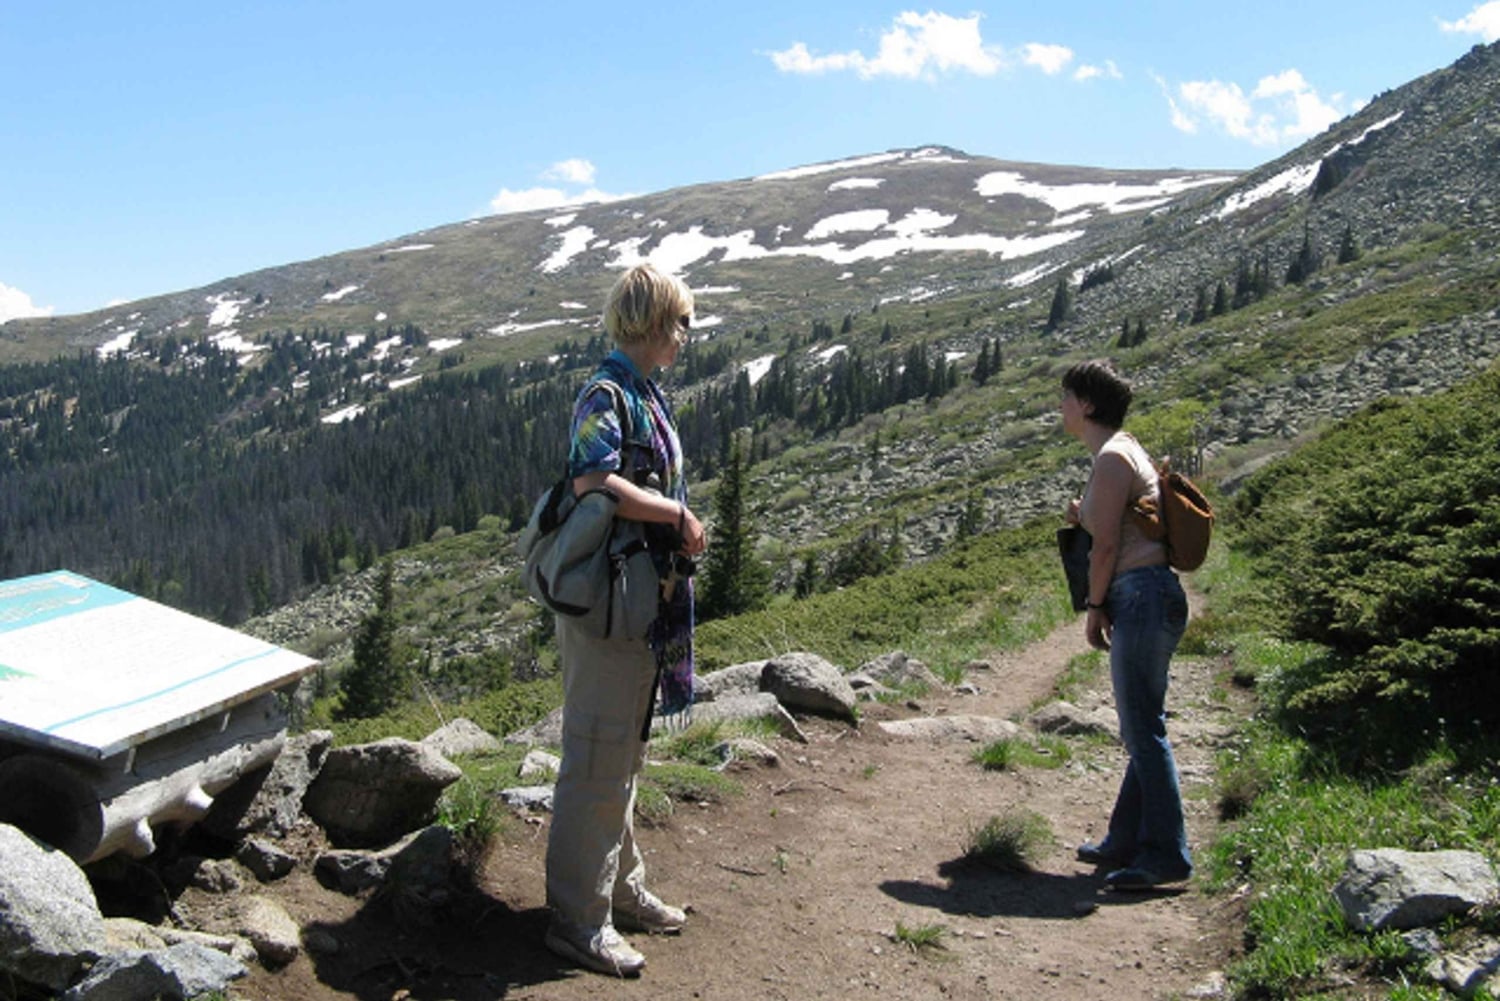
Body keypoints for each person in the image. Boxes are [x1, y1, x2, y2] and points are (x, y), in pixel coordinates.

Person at [544, 263, 708, 976]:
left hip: (640, 600)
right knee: (596, 754)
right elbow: (592, 480)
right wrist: (673, 511)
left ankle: (620, 887)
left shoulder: (643, 391)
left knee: (623, 752)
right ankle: (577, 919)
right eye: (679, 321)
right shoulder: (606, 393)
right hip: (610, 603)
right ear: (648, 320)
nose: (684, 334)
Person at [1060, 359, 1192, 890]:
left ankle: (1165, 856)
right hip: (1152, 595)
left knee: (1143, 730)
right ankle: (1125, 840)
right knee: (1143, 723)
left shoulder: (1112, 459)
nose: (1061, 406)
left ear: (1088, 404)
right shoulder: (1124, 449)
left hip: (1137, 596)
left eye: (1066, 396)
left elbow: (1108, 547)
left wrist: (1095, 608)